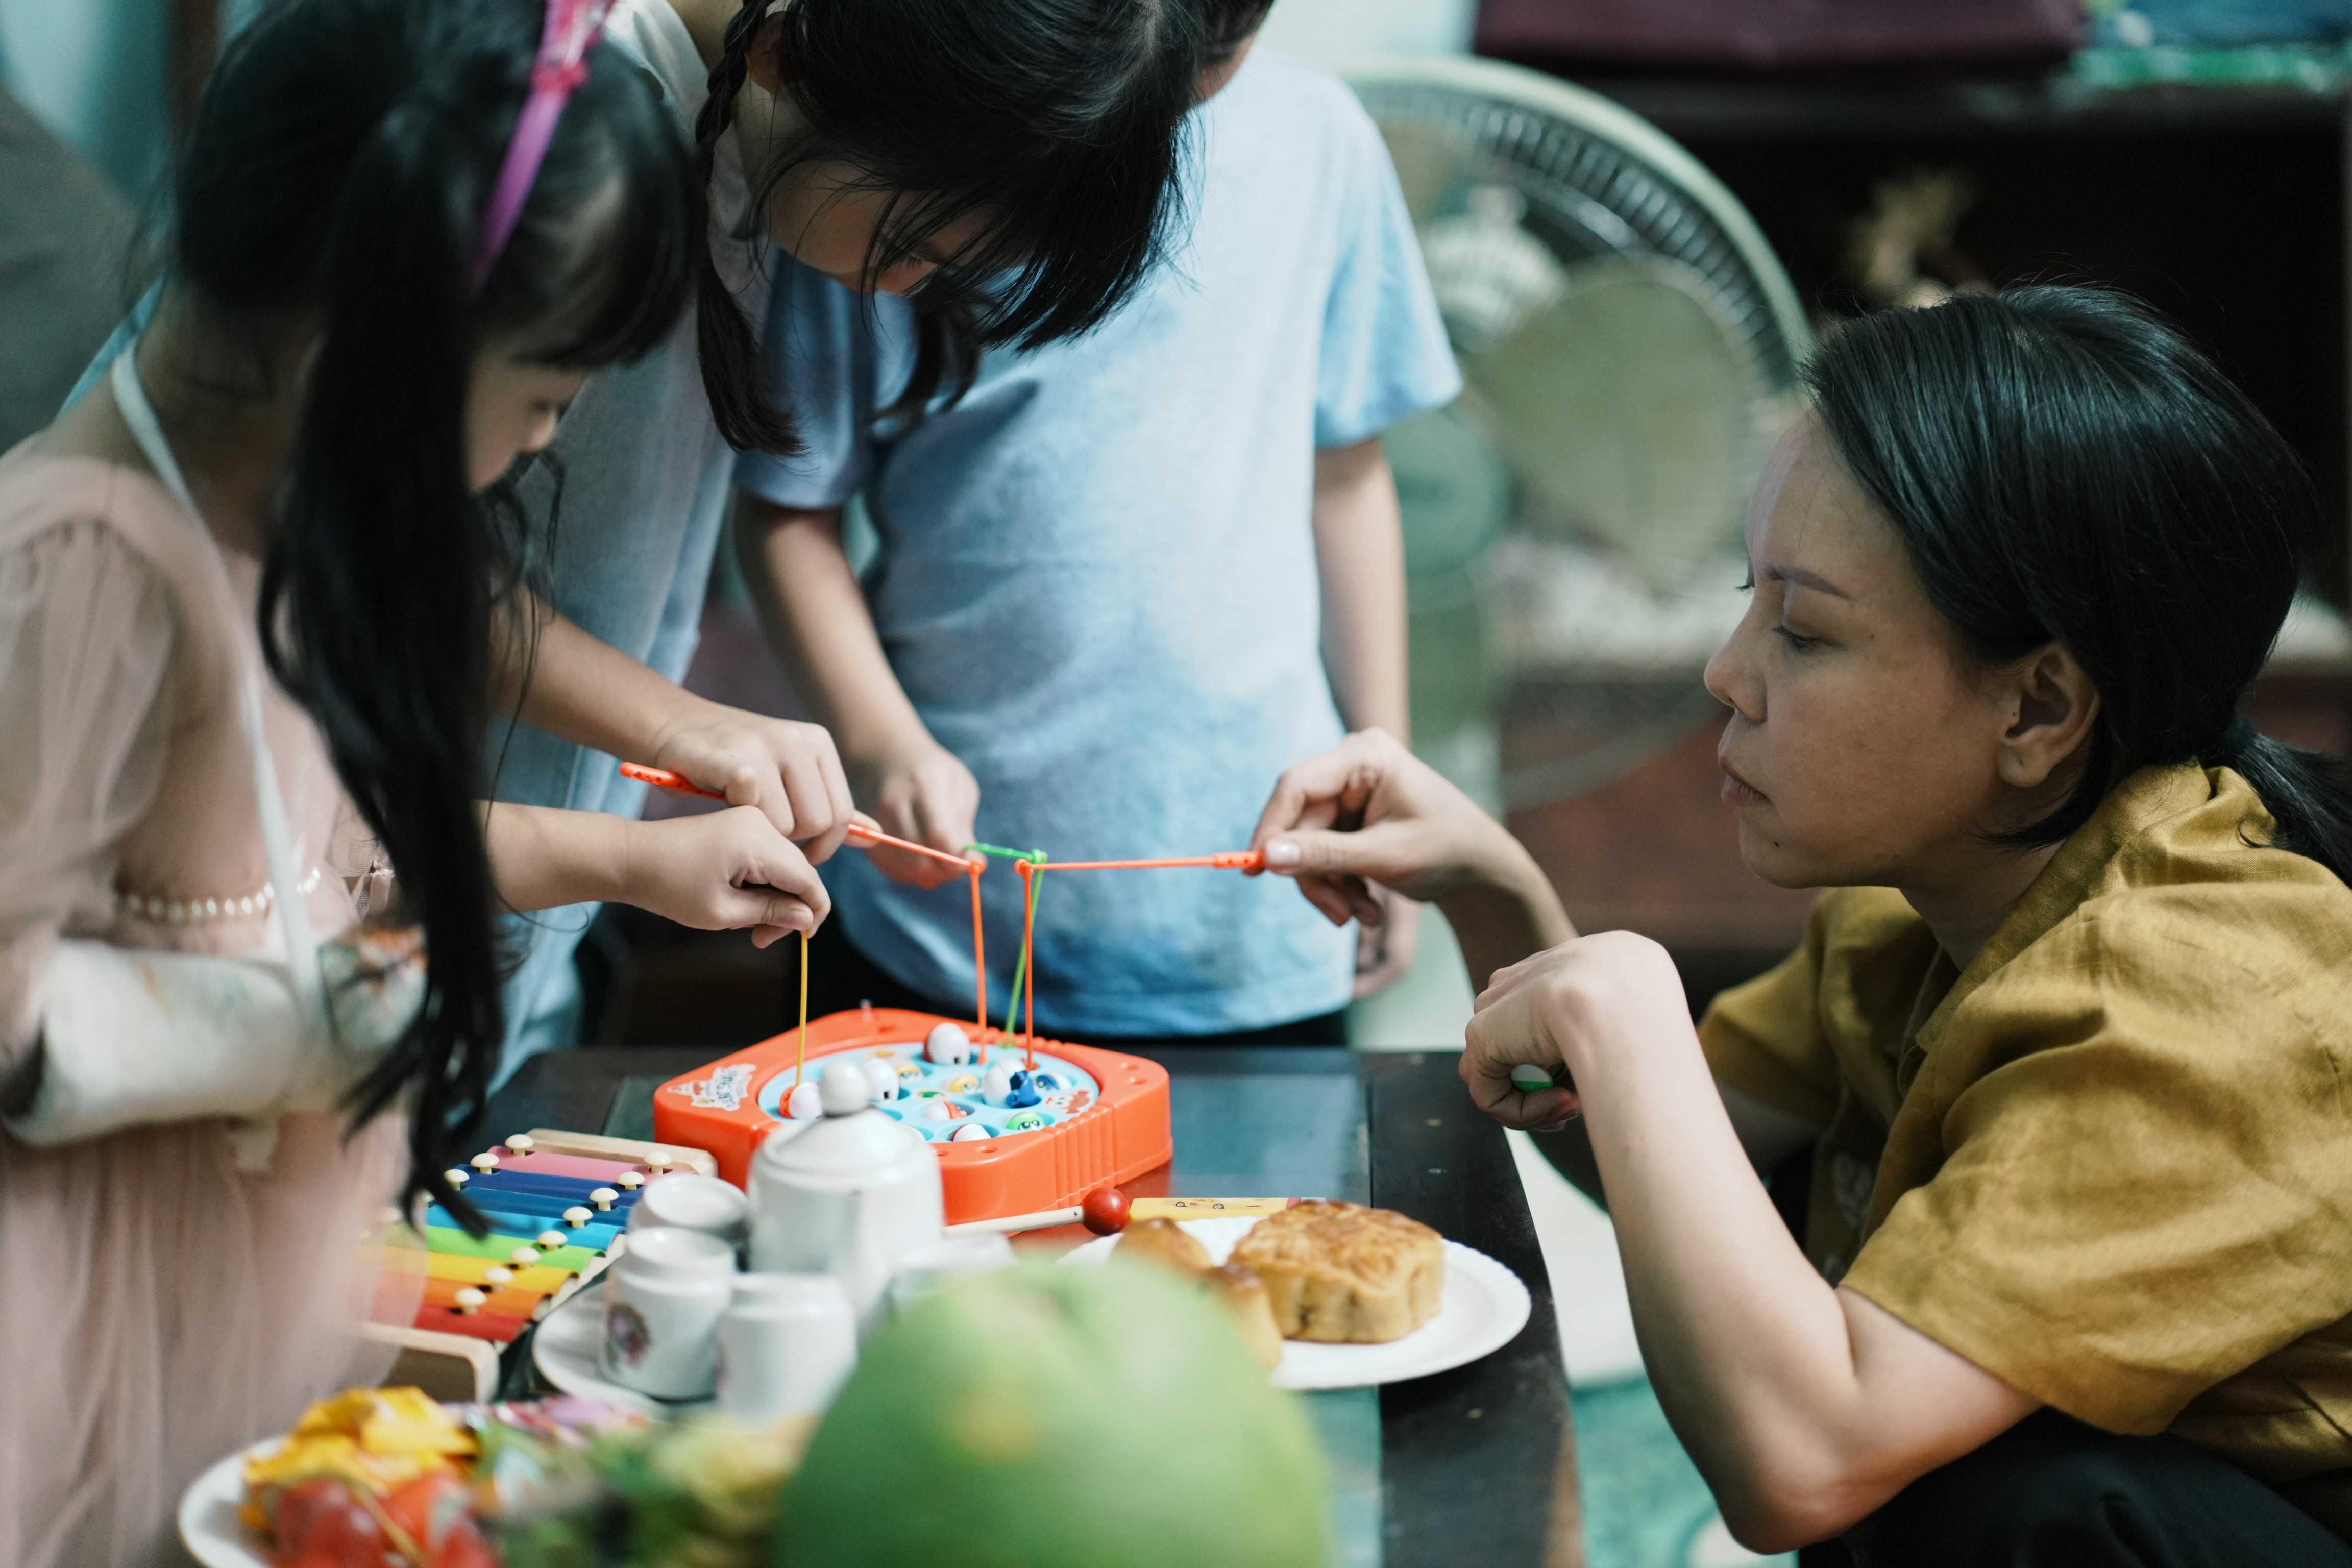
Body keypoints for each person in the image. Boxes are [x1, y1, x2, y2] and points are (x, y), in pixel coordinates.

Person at [1248, 289, 2352, 1562]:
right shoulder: (1929, 898)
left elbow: (1805, 1465)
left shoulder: (2201, 1000)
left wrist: (1629, 1007)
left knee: (1989, 1491)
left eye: (1806, 629)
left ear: (2038, 709)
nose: (1728, 669)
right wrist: (1495, 892)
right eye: (1747, 594)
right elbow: (1668, 1164)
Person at [0, 3, 826, 1560]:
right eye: (542, 395)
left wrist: (627, 859)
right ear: (357, 355)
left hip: (257, 1297)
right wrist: (285, 1026)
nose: (544, 443)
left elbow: (290, 864)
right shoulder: (88, 569)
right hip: (88, 1353)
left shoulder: (276, 527)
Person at [67, 0, 1216, 1083]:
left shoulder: (744, 128)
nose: (904, 295)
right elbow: (371, 530)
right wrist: (681, 729)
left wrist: (648, 816)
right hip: (288, 932)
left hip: (420, 927)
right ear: (790, 56)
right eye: (914, 249)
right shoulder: (559, 149)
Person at [736, 0, 1457, 1044]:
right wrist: (884, 744)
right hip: (939, 918)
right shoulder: (918, 155)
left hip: (1254, 926)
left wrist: (1386, 771)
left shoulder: (1323, 142)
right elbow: (785, 510)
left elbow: (1345, 477)